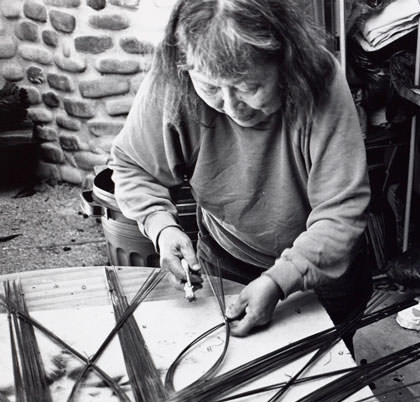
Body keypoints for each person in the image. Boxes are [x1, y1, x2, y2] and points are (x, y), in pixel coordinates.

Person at [110, 0, 372, 341]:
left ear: (285, 61)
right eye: (211, 88)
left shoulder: (318, 79)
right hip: (226, 256)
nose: (232, 108)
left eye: (248, 87)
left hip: (321, 267)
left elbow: (341, 212)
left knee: (326, 361)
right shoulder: (175, 78)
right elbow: (133, 166)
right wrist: (161, 227)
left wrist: (279, 279)